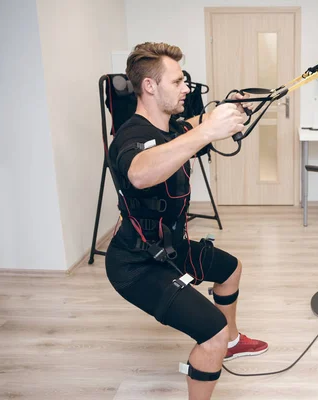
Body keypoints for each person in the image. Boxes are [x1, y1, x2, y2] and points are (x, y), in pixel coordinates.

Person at [105, 42, 267, 400]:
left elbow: (195, 125)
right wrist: (205, 133)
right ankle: (222, 343)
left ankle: (234, 342)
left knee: (230, 269)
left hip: (170, 248)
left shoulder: (172, 128)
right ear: (149, 86)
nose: (187, 88)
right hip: (137, 264)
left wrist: (233, 107)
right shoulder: (130, 135)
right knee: (212, 334)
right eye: (178, 82)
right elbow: (139, 173)